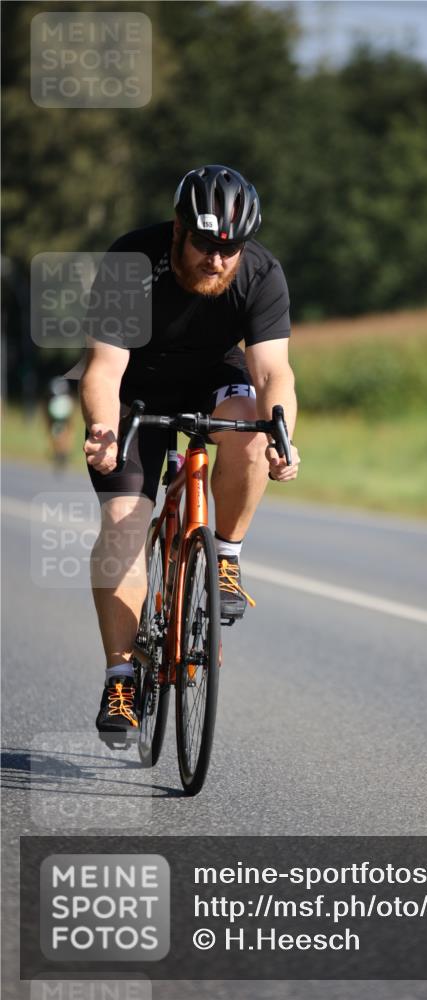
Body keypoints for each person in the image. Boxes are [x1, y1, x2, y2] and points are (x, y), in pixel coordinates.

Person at [79, 164, 300, 737]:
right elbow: (103, 370)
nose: (217, 259)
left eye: (230, 248)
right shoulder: (132, 262)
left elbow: (273, 372)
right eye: (204, 244)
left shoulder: (260, 272)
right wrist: (104, 429)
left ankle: (224, 555)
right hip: (134, 389)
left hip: (211, 380)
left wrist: (282, 436)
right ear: (178, 229)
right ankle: (122, 676)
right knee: (126, 521)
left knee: (250, 428)